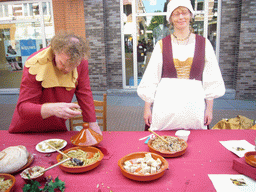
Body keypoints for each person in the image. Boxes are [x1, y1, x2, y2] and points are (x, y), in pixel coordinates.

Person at [137, 0, 225, 131]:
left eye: (184, 12)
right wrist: (147, 109)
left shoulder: (204, 44)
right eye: (176, 14)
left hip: (194, 111)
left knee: (197, 145)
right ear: (170, 18)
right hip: (165, 109)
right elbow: (151, 78)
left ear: (190, 15)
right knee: (161, 145)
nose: (181, 17)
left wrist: (209, 109)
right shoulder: (161, 45)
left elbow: (211, 79)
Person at [9, 31, 102, 134]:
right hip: (27, 129)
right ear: (55, 51)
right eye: (62, 63)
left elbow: (84, 93)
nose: (67, 70)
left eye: (73, 67)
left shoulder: (80, 61)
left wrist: (92, 122)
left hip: (56, 126)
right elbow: (23, 108)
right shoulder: (35, 62)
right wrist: (53, 108)